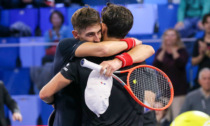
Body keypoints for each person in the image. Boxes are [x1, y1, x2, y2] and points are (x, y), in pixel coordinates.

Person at [40, 4, 155, 126]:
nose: (96, 39)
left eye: (98, 32)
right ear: (75, 34)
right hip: (67, 120)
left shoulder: (86, 61)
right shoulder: (67, 46)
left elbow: (148, 49)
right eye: (90, 34)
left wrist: (118, 61)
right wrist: (131, 42)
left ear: (103, 27)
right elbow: (103, 49)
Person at [153, 29, 189, 120]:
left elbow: (181, 63)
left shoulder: (182, 51)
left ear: (177, 37)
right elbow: (155, 65)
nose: (169, 37)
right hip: (164, 92)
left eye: (172, 35)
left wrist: (173, 49)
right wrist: (164, 49)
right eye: (167, 35)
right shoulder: (161, 51)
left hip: (178, 92)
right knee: (163, 119)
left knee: (178, 117)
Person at [192, 13, 210, 89]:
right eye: (207, 23)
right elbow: (193, 62)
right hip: (202, 80)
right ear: (203, 24)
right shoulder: (199, 41)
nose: (209, 25)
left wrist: (206, 51)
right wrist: (202, 54)